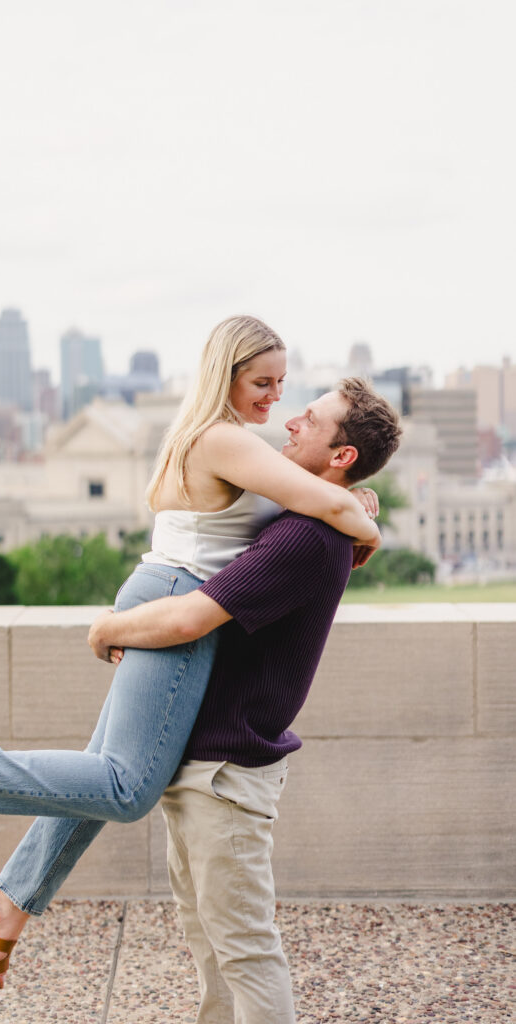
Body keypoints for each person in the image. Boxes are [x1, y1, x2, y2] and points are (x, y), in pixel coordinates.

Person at [0, 316, 381, 989]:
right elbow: (328, 509)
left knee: (97, 773)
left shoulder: (218, 436)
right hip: (177, 597)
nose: (275, 402)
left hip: (165, 587)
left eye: (282, 386)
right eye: (262, 382)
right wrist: (363, 520)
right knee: (125, 786)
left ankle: (10, 901)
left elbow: (309, 507)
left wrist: (349, 501)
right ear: (225, 373)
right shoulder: (226, 439)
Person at [87, 380, 402, 1023]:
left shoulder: (303, 539)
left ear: (341, 456)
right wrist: (362, 510)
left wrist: (105, 630)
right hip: (205, 766)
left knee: (246, 951)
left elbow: (187, 620)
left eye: (309, 420)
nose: (289, 423)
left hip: (225, 777)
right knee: (213, 946)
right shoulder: (305, 517)